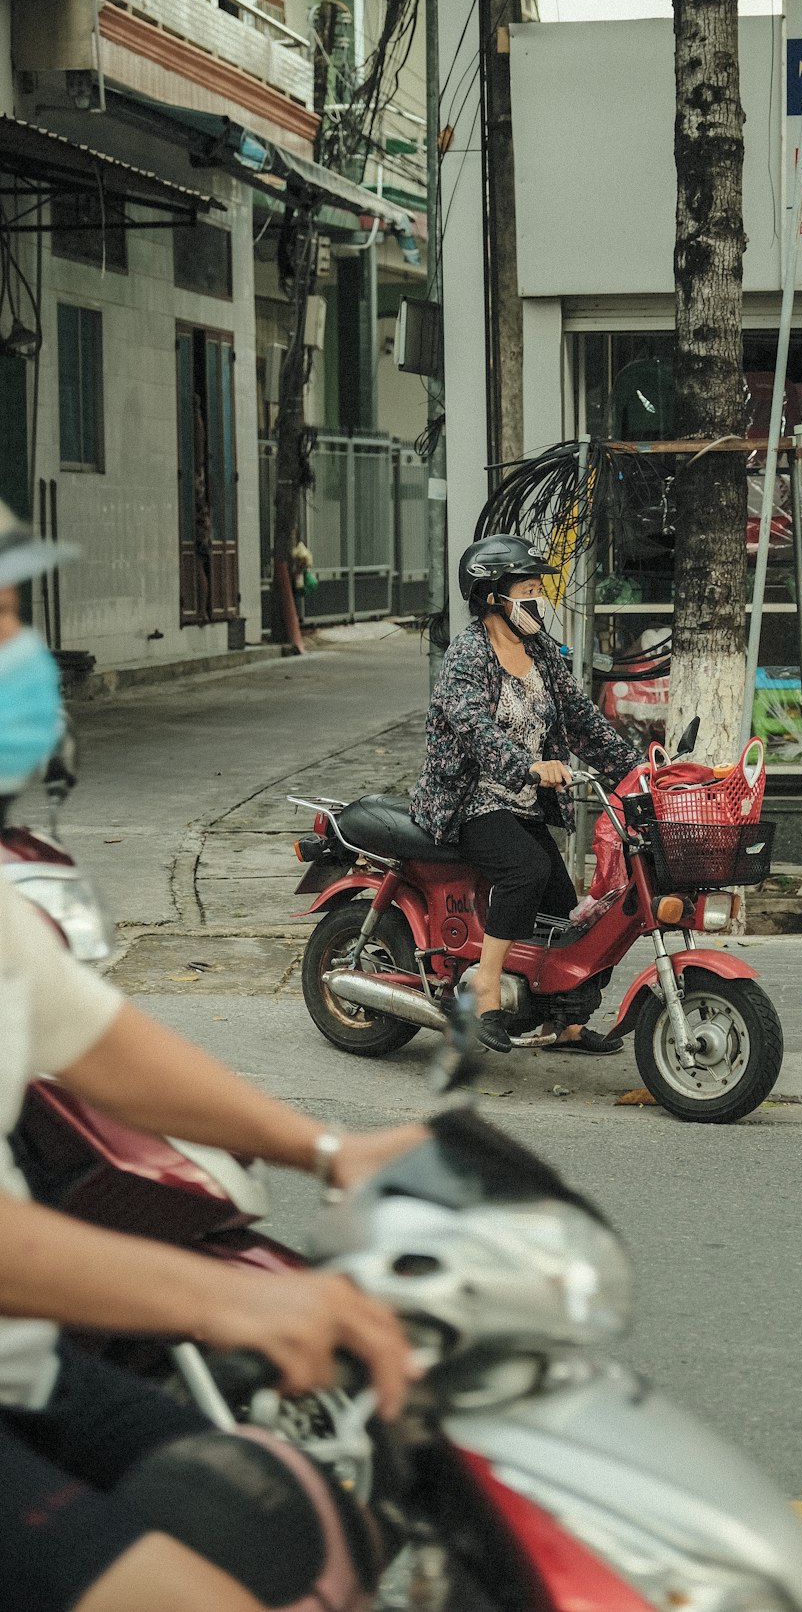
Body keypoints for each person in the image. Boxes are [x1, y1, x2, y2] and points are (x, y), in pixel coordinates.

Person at [0, 512, 426, 1612]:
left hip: (20, 1370)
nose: (23, 657)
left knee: (290, 1513)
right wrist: (225, 1303)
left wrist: (329, 1148)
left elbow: (97, 1039)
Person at [411, 535, 639, 1055]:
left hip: (523, 798)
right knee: (526, 872)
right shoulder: (468, 655)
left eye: (539, 587)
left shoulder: (539, 652)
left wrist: (639, 767)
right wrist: (527, 766)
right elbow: (472, 726)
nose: (539, 598)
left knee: (564, 908)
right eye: (529, 588)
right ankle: (484, 986)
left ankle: (566, 1023)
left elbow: (582, 720)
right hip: (469, 800)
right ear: (494, 596)